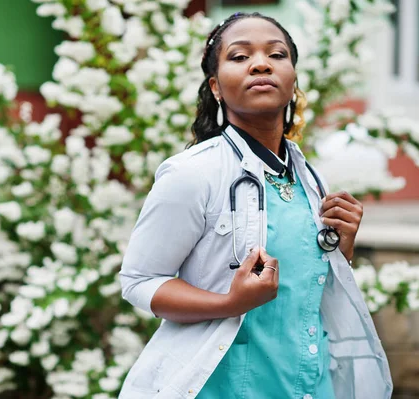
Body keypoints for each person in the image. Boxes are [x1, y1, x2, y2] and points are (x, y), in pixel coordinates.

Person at [118, 11, 393, 399]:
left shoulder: (311, 180)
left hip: (308, 384)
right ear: (215, 87)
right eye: (240, 56)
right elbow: (140, 281)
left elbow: (307, 289)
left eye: (277, 55)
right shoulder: (191, 174)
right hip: (224, 387)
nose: (261, 63)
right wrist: (230, 302)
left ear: (293, 80)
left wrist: (341, 249)